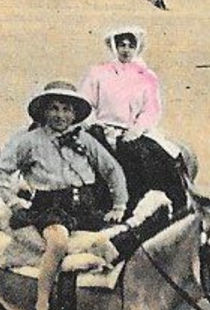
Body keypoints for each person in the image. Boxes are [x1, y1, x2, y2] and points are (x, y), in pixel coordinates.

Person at [0, 82, 128, 310]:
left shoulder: (85, 140)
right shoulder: (29, 141)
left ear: (74, 114)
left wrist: (118, 205)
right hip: (50, 208)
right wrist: (14, 202)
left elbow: (112, 170)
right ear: (44, 112)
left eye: (66, 109)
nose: (60, 115)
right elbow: (2, 172)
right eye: (54, 108)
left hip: (86, 207)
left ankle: (110, 309)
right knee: (58, 243)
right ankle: (42, 308)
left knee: (118, 240)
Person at [78, 25, 187, 213]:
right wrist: (95, 125)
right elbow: (86, 102)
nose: (126, 49)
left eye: (130, 45)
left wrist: (135, 130)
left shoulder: (146, 76)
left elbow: (151, 109)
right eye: (121, 45)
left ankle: (176, 206)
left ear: (137, 47)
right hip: (101, 128)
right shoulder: (99, 72)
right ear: (114, 46)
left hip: (132, 131)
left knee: (158, 157)